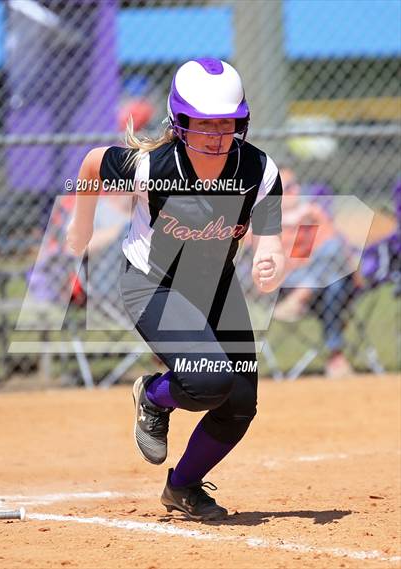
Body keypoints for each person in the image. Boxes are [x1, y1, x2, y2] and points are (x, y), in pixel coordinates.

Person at [67, 58, 285, 521]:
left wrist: (272, 256)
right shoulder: (152, 168)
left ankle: (182, 487)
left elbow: (271, 233)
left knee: (240, 402)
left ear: (240, 123)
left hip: (215, 286)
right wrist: (80, 224)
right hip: (153, 283)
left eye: (225, 123)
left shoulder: (258, 170)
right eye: (201, 124)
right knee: (208, 380)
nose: (214, 135)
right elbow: (90, 165)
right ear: (179, 123)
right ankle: (153, 395)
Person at [274, 166, 355, 377]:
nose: (296, 190)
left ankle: (302, 296)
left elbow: (337, 251)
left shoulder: (311, 213)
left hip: (318, 284)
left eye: (296, 185)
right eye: (288, 187)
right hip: (286, 285)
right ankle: (336, 356)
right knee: (333, 280)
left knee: (334, 278)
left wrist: (306, 219)